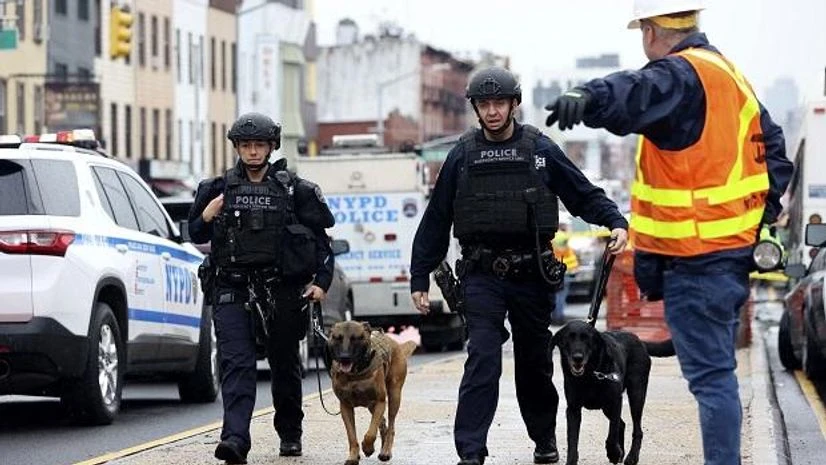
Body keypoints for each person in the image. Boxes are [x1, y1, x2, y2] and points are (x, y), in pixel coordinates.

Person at [544, 2, 794, 464]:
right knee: (716, 375)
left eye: (643, 32)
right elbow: (776, 156)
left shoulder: (684, 73)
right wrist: (754, 225)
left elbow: (639, 89)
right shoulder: (729, 77)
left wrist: (589, 97)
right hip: (724, 259)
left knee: (712, 380)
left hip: (695, 262)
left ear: (653, 31)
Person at [410, 66, 629, 465]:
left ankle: (544, 439)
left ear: (513, 104)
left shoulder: (539, 150)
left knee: (534, 362)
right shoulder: (461, 155)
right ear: (476, 108)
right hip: (481, 275)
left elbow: (581, 192)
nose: (492, 111)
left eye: (499, 102)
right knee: (483, 358)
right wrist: (419, 275)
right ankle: (471, 453)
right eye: (484, 104)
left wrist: (614, 220)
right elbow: (437, 218)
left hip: (532, 274)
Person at [188, 112, 335, 464]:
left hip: (281, 291)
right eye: (246, 145)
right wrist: (207, 215)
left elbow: (323, 242)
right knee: (236, 364)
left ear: (271, 147)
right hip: (232, 289)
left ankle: (290, 434)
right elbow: (195, 233)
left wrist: (322, 283)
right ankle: (235, 440)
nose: (252, 152)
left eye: (259, 145)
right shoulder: (217, 189)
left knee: (284, 365)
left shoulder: (295, 191)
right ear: (237, 148)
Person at [551, 224, 579, 325]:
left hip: (554, 270)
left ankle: (555, 316)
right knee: (561, 295)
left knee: (555, 295)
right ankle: (559, 317)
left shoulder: (552, 236)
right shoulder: (563, 236)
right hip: (565, 270)